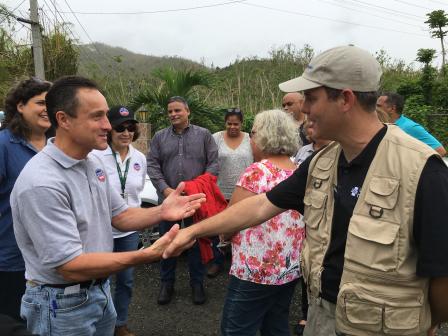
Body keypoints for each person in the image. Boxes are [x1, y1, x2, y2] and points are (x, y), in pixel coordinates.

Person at [163, 46, 448, 336]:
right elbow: (261, 205)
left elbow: (442, 278)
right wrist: (191, 232)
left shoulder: (422, 170)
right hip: (321, 319)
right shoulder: (321, 162)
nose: (304, 108)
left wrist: (422, 322)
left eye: (311, 98)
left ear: (346, 99)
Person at [10, 76, 205, 336]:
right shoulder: (42, 182)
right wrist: (145, 255)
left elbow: (120, 215)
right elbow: (68, 265)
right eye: (97, 116)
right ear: (63, 119)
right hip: (61, 303)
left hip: (98, 292)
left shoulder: (92, 162)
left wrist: (161, 211)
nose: (107, 125)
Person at [220, 109, 304, 336]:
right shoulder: (298, 170)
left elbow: (231, 220)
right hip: (288, 269)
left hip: (254, 271)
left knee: (235, 329)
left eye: (253, 132)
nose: (250, 138)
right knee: (276, 326)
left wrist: (223, 236)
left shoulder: (257, 172)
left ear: (265, 136)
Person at [147, 95, 219, 305]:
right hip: (169, 203)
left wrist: (198, 187)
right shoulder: (159, 137)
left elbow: (213, 165)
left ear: (187, 111)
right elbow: (152, 165)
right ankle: (166, 284)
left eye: (177, 110)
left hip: (196, 202)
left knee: (196, 243)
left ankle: (197, 283)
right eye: (170, 111)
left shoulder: (204, 135)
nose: (173, 114)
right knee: (166, 241)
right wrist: (166, 190)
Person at [0, 78, 51, 321]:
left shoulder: (58, 147)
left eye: (51, 103)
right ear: (20, 106)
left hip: (53, 259)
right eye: (40, 102)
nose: (47, 108)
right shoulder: (3, 146)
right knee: (14, 323)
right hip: (12, 259)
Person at [92, 105, 146, 336]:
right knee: (98, 283)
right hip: (101, 230)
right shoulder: (94, 156)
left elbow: (138, 190)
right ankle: (98, 324)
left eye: (130, 127)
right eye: (120, 128)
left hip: (128, 232)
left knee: (125, 282)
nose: (126, 132)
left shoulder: (140, 158)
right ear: (110, 130)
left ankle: (119, 324)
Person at [209, 107, 253, 278]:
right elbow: (209, 159)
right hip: (220, 190)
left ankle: (240, 261)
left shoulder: (250, 139)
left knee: (242, 227)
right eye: (229, 123)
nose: (233, 127)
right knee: (219, 226)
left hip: (244, 191)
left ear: (242, 123)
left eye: (236, 124)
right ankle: (217, 262)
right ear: (225, 123)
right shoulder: (216, 138)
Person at [377, 92, 446, 156]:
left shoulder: (410, 127)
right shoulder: (382, 125)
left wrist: (414, 162)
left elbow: (440, 150)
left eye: (378, 106)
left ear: (392, 108)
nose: (375, 108)